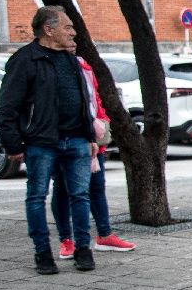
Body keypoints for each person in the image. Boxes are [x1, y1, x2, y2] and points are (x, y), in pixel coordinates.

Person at [0, 7, 98, 275]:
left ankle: (83, 250)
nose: (73, 32)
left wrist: (89, 135)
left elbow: (83, 100)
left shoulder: (70, 58)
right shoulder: (25, 60)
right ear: (48, 30)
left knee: (80, 195)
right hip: (41, 142)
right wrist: (13, 145)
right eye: (67, 27)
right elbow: (7, 107)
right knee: (37, 196)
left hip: (76, 138)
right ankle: (43, 253)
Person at [53, 55, 136, 257]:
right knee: (64, 189)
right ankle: (67, 240)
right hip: (65, 137)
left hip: (91, 136)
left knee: (96, 186)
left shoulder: (85, 66)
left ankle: (104, 234)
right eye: (68, 33)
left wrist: (101, 121)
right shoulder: (52, 66)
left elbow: (94, 99)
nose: (72, 39)